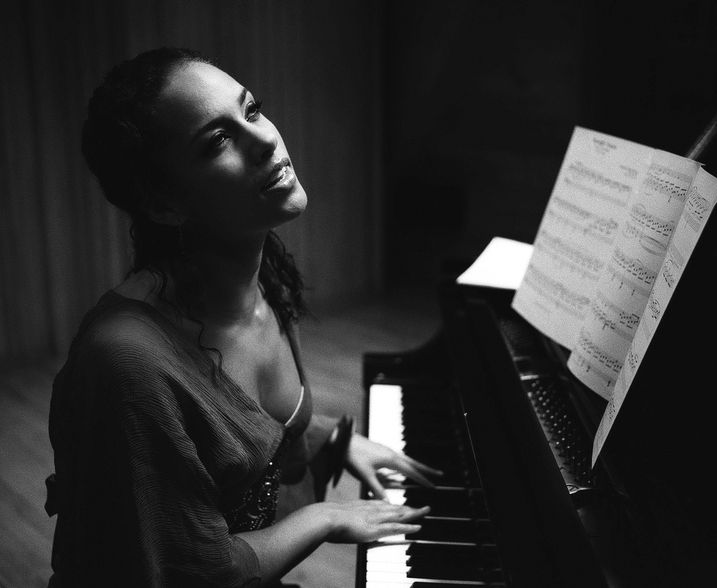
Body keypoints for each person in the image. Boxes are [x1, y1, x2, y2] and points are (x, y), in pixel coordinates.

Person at [45, 46, 441, 588]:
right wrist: (324, 516)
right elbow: (191, 572)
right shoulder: (127, 364)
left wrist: (333, 438)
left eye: (251, 110)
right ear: (164, 205)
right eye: (217, 141)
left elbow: (247, 437)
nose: (266, 140)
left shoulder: (262, 276)